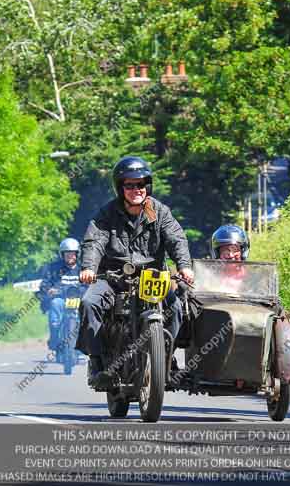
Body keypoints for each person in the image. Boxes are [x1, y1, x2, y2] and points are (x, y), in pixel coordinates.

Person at [77, 156, 194, 385]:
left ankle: (166, 357)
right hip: (113, 277)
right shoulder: (107, 214)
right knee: (90, 303)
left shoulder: (159, 212)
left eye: (140, 184)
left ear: (147, 185)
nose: (136, 189)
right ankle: (98, 361)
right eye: (129, 185)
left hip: (153, 277)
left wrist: (184, 266)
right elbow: (95, 242)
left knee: (177, 306)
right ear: (121, 188)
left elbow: (176, 239)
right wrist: (89, 268)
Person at [38, 238, 82, 354]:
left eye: (72, 254)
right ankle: (54, 337)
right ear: (62, 254)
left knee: (88, 310)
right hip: (60, 300)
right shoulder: (54, 269)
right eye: (67, 254)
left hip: (79, 300)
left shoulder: (83, 269)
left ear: (77, 254)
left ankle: (85, 342)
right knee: (55, 303)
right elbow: (45, 284)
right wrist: (48, 290)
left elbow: (89, 285)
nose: (70, 256)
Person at [210, 225, 249, 292]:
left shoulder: (252, 277)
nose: (231, 255)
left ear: (243, 252)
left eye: (235, 250)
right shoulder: (210, 277)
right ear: (218, 253)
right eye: (225, 251)